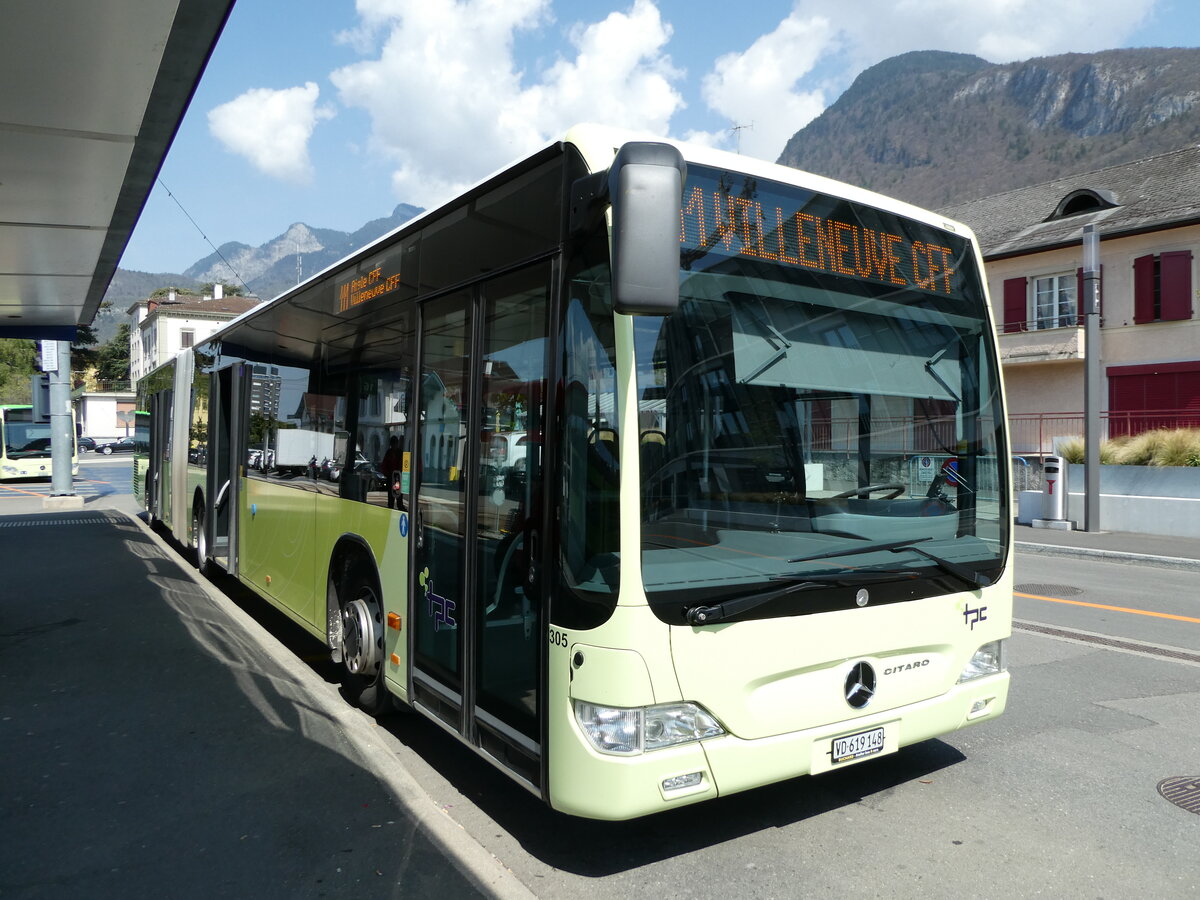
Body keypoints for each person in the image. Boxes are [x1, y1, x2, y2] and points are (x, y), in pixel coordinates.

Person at [380, 435, 402, 508]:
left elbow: (402, 465)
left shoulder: (400, 453)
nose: (394, 445)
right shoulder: (389, 453)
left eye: (395, 444)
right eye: (393, 444)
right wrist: (388, 474)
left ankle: (399, 507)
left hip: (398, 478)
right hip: (391, 478)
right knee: (391, 498)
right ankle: (391, 508)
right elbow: (384, 465)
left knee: (398, 497)